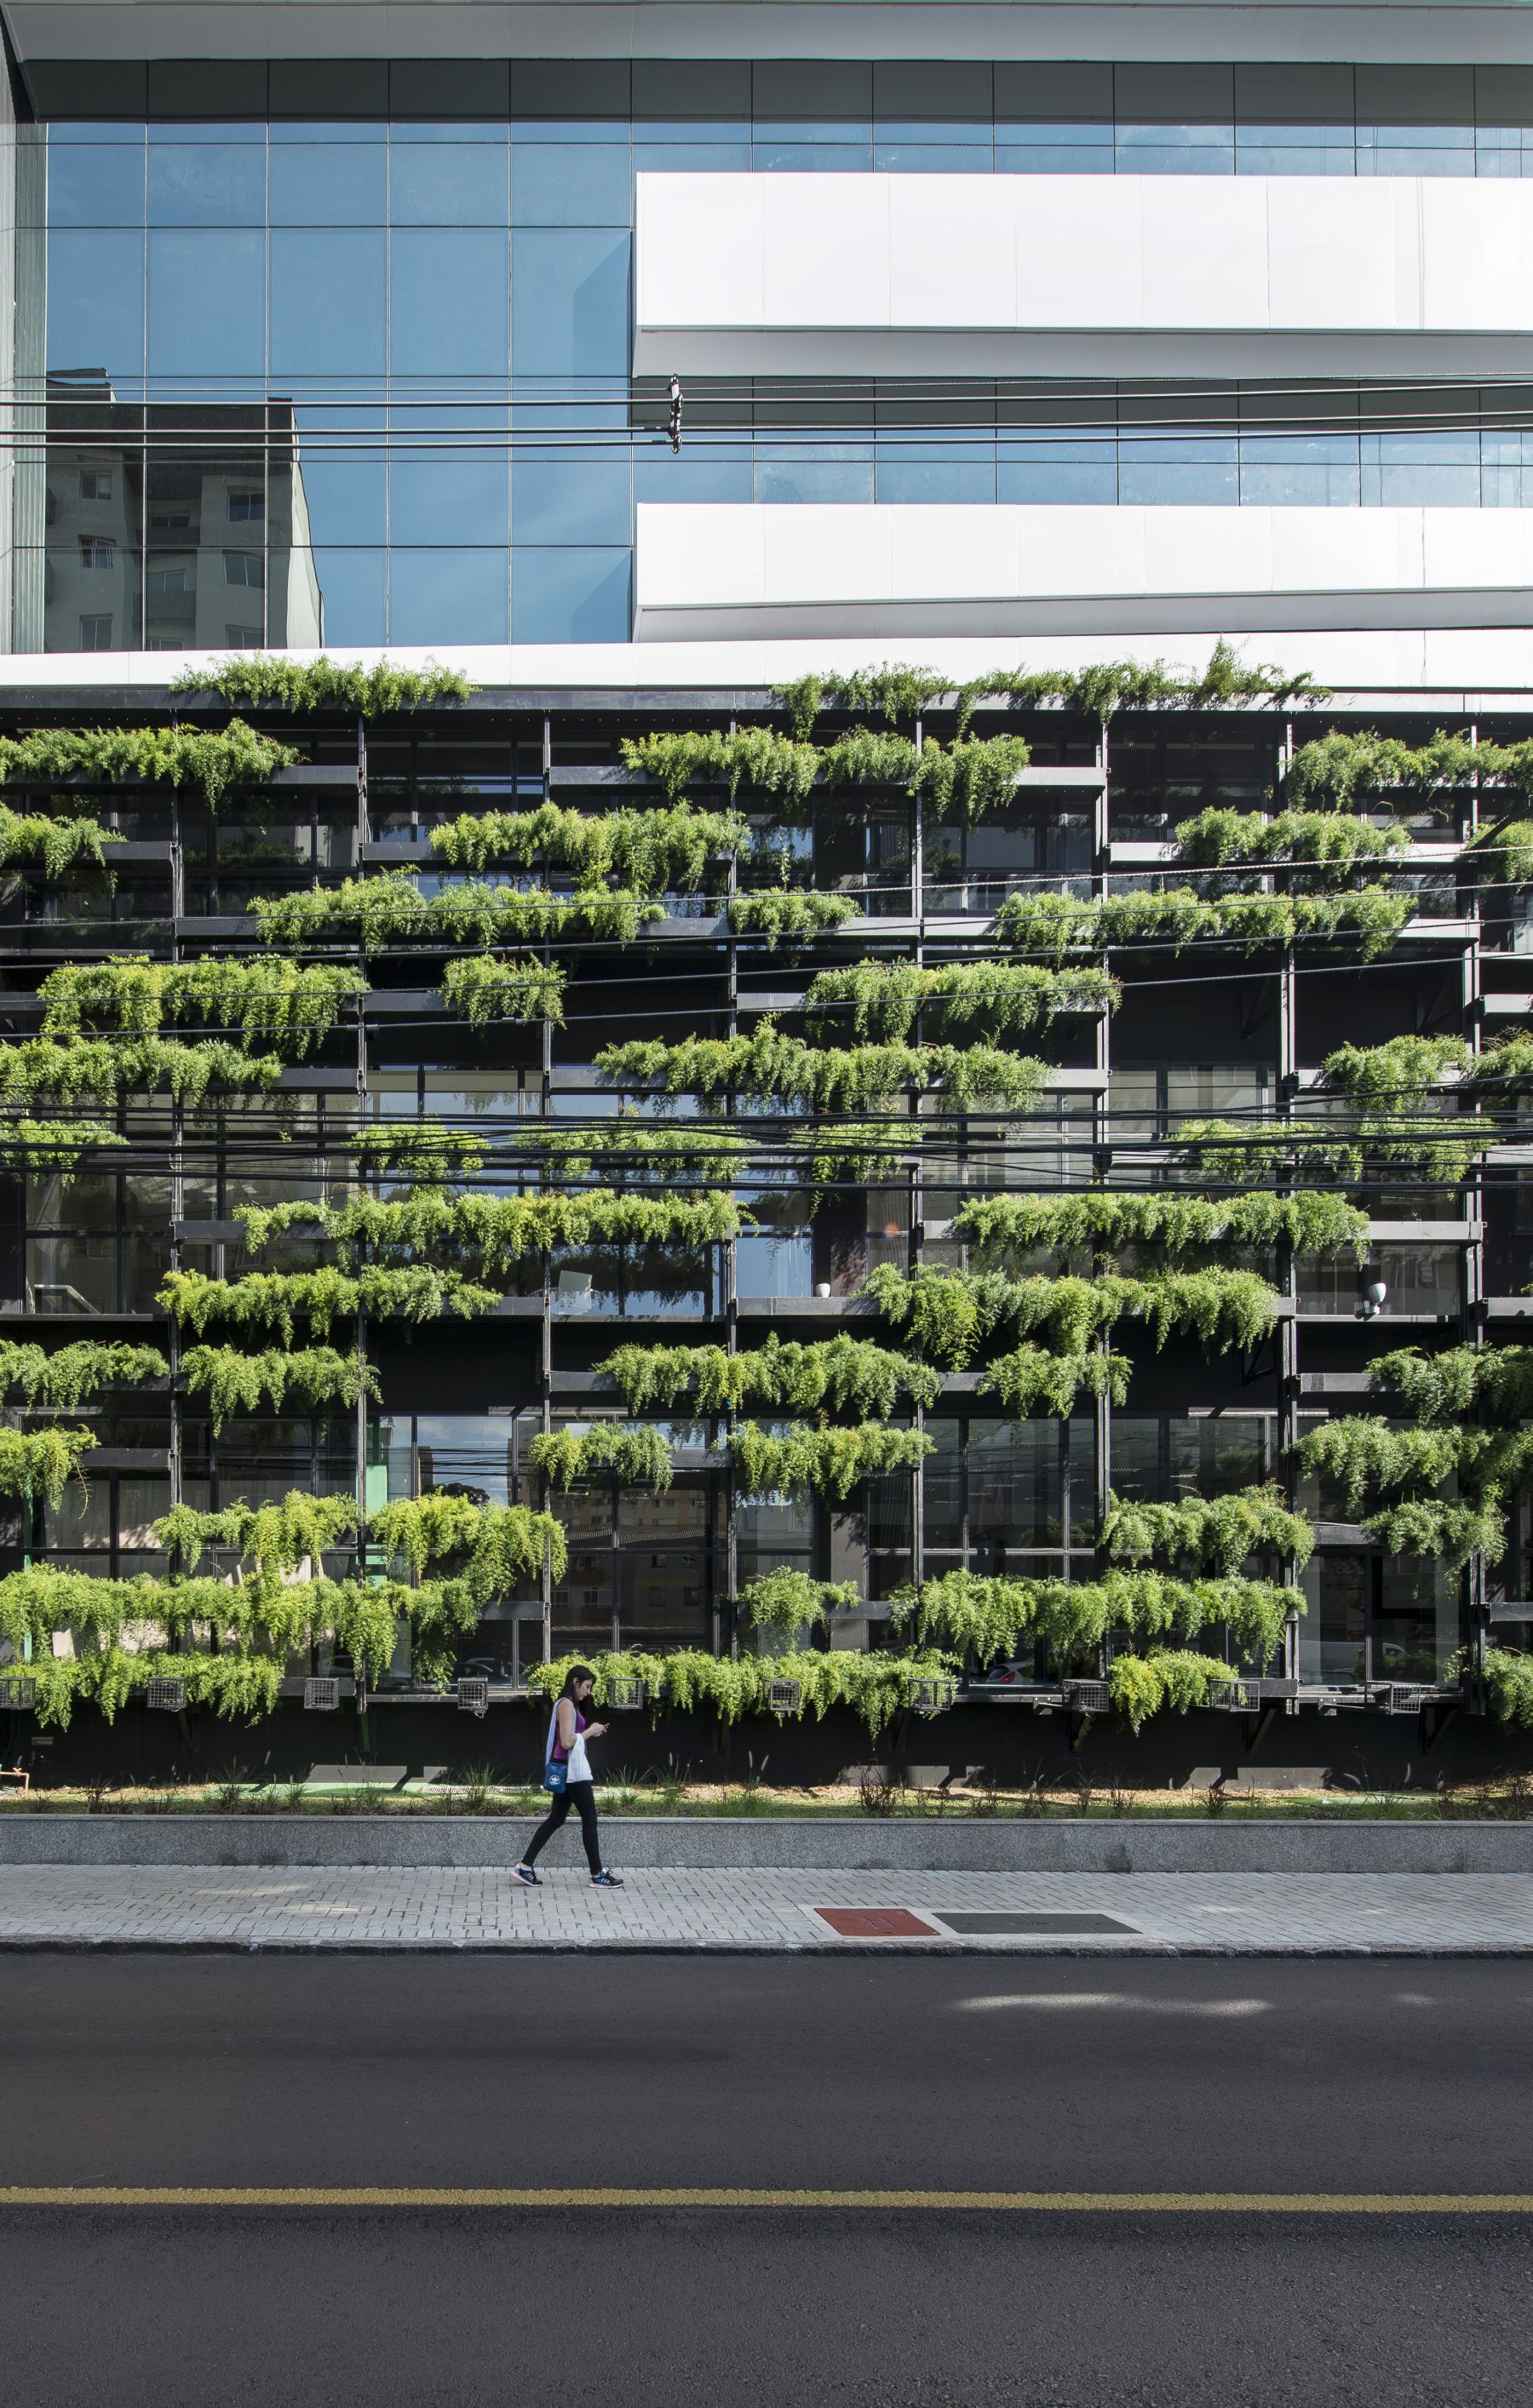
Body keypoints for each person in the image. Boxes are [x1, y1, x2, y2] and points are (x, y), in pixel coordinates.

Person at [513, 1665, 623, 1888]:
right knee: (590, 1819)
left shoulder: (569, 1705)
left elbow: (570, 1739)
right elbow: (566, 1742)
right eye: (587, 1686)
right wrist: (590, 1731)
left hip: (567, 1767)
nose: (588, 1691)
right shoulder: (566, 1704)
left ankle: (525, 1866)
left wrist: (592, 1732)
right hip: (571, 1770)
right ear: (575, 1682)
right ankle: (597, 1875)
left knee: (556, 1819)